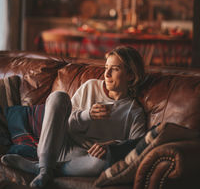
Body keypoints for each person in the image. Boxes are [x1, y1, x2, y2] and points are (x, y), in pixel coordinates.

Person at [1, 45, 146, 188]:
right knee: (58, 97)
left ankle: (39, 168)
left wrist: (113, 144)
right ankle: (45, 169)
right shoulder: (91, 86)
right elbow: (66, 123)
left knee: (103, 162)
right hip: (61, 145)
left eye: (114, 69)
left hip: (85, 158)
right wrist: (86, 115)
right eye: (106, 67)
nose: (106, 74)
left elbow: (137, 147)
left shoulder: (134, 112)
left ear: (130, 75)